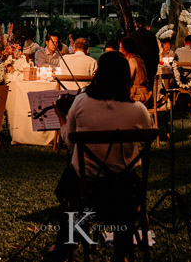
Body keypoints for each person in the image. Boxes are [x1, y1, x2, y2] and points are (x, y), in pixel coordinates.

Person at [54, 51, 153, 261]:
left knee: (68, 183)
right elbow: (146, 137)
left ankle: (65, 244)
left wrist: (62, 118)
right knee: (125, 187)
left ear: (98, 75)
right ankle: (120, 254)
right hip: (126, 194)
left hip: (87, 192)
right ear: (127, 78)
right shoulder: (138, 110)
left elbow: (71, 143)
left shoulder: (80, 103)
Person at [120, 36, 152, 105]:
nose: (119, 50)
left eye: (120, 48)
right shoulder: (138, 58)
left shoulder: (132, 60)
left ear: (125, 48)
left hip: (140, 95)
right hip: (143, 91)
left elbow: (127, 80)